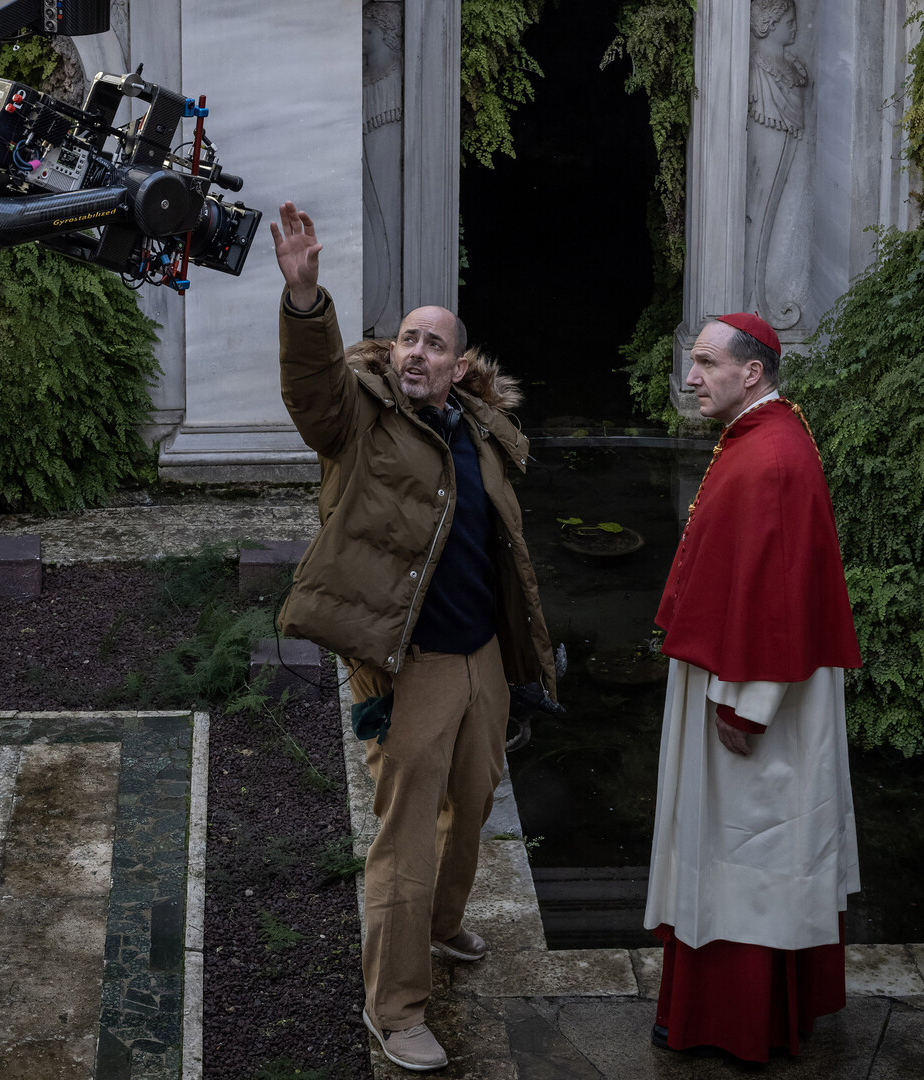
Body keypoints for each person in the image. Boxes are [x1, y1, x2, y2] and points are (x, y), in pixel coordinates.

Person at [268, 202, 556, 1072]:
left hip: (481, 660)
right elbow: (311, 395)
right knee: (403, 830)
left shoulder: (481, 431)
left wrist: (519, 656)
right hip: (414, 659)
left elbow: (506, 550)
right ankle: (394, 1009)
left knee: (470, 804)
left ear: (459, 363)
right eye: (406, 340)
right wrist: (305, 299)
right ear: (391, 353)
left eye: (434, 343)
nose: (416, 353)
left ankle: (439, 924)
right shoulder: (360, 415)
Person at [644, 312, 862, 1062]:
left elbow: (776, 596)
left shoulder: (769, 457)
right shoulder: (764, 437)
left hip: (749, 700)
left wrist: (747, 703)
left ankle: (736, 1022)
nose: (691, 376)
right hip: (736, 681)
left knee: (747, 852)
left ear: (753, 372)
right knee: (740, 852)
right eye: (692, 362)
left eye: (705, 363)